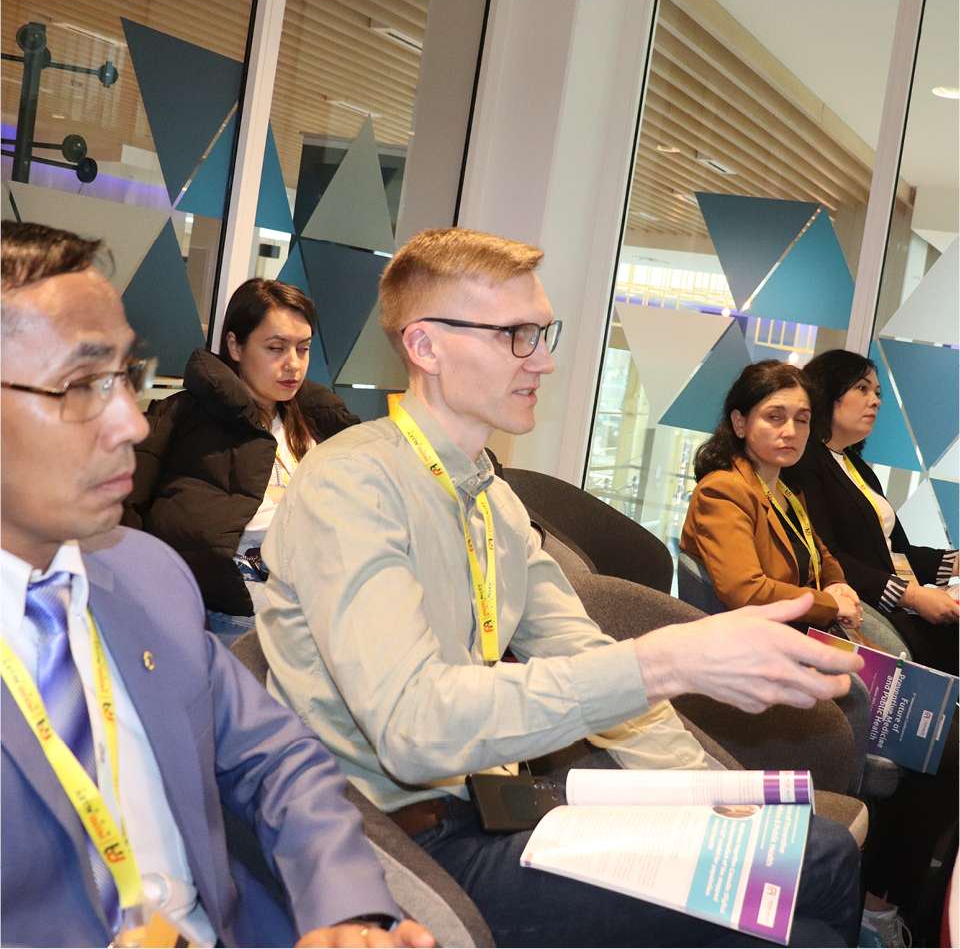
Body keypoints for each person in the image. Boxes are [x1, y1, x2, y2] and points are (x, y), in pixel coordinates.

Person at [258, 227, 866, 947]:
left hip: (499, 807)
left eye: (543, 333)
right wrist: (665, 662)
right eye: (516, 335)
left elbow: (583, 652)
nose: (543, 359)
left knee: (804, 865)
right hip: (407, 851)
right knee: (818, 867)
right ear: (425, 346)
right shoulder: (352, 485)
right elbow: (414, 729)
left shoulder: (491, 499)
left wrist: (706, 798)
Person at [0, 221, 434, 949]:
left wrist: (342, 909)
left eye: (126, 378)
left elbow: (279, 761)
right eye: (81, 385)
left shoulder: (144, 577)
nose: (132, 424)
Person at [123, 278, 358, 646]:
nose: (293, 364)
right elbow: (124, 514)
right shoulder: (180, 418)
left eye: (303, 349)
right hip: (225, 615)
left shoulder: (320, 420)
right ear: (235, 345)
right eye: (276, 348)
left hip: (312, 614)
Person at [783, 349, 958, 675]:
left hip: (896, 605)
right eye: (862, 389)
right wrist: (913, 597)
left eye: (877, 393)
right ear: (827, 391)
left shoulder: (855, 465)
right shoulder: (806, 462)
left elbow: (897, 553)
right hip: (868, 607)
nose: (875, 401)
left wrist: (954, 562)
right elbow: (827, 555)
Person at [681, 360, 864, 636]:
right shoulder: (722, 491)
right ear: (740, 423)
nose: (791, 431)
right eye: (775, 417)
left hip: (795, 632)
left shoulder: (787, 489)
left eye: (801, 420)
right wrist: (829, 605)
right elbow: (745, 590)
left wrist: (836, 583)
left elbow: (821, 555)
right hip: (752, 642)